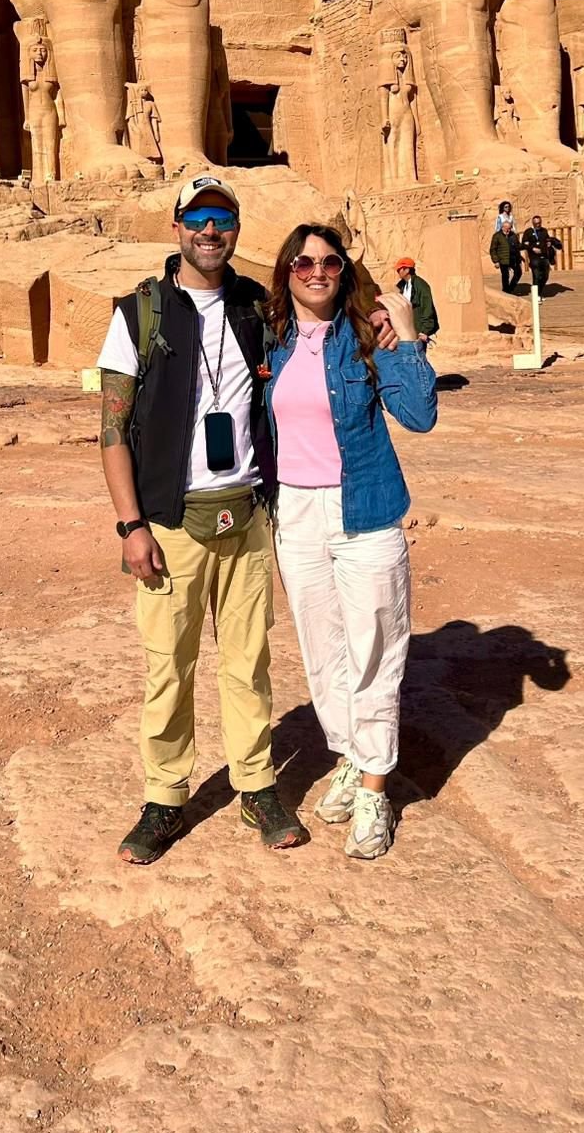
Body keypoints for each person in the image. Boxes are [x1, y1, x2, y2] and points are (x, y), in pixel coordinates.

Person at [97, 176, 397, 866]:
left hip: (247, 513)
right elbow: (112, 430)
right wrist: (130, 526)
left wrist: (384, 316)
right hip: (170, 520)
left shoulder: (256, 307)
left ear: (235, 229)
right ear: (177, 226)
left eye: (222, 218)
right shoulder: (139, 313)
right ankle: (165, 797)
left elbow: (328, 311)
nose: (210, 230)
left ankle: (257, 785)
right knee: (169, 666)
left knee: (248, 663)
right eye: (198, 217)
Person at [265, 225, 437, 858]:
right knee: (323, 652)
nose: (317, 271)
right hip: (296, 513)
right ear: (286, 272)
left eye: (329, 262)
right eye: (304, 262)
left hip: (363, 508)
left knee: (374, 652)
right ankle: (347, 756)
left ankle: (373, 786)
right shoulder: (271, 339)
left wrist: (408, 336)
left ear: (343, 271)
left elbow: (419, 414)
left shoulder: (369, 335)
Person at [394, 257, 439, 343]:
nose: (397, 271)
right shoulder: (401, 286)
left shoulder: (421, 285)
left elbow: (427, 308)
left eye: (399, 269)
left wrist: (425, 331)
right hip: (405, 331)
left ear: (407, 270)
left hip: (418, 332)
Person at [521, 215, 561, 301]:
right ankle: (536, 296)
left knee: (545, 276)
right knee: (536, 276)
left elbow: (547, 239)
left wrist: (549, 243)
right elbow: (524, 244)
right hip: (534, 257)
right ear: (533, 223)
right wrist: (532, 248)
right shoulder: (528, 232)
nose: (538, 225)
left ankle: (539, 292)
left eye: (539, 223)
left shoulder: (544, 230)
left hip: (544, 256)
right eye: (536, 223)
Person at [489, 220, 523, 294]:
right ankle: (506, 291)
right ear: (502, 228)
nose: (508, 230)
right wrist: (496, 261)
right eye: (507, 228)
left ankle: (510, 288)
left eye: (510, 228)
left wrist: (520, 257)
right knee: (505, 276)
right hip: (503, 259)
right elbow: (493, 249)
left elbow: (518, 246)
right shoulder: (497, 236)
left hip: (513, 258)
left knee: (518, 272)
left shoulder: (513, 235)